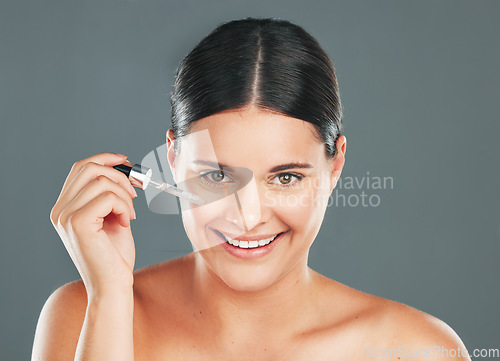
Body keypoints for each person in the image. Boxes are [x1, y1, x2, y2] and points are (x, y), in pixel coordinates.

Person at [32, 17, 470, 360]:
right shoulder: (81, 316)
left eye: (286, 177)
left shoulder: (418, 350)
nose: (248, 216)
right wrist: (109, 299)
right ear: (172, 159)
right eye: (218, 176)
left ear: (335, 165)